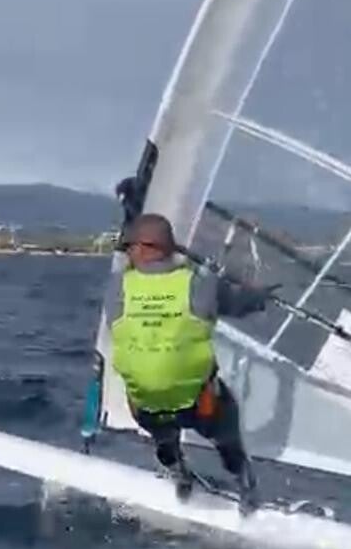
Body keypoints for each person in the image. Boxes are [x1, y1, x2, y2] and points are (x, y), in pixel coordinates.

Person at [105, 210, 273, 511]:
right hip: (201, 406)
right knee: (227, 435)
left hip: (147, 408)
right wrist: (260, 297)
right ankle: (245, 484)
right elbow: (238, 305)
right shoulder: (197, 284)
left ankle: (178, 470)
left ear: (144, 248)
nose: (127, 253)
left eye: (130, 247)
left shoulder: (116, 289)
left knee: (161, 429)